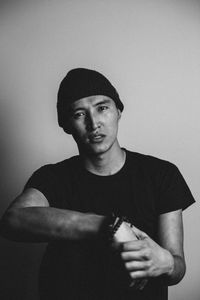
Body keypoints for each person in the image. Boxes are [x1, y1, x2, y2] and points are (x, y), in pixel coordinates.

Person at [0, 68, 195, 300]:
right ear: (65, 124)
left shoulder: (161, 174)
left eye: (102, 108)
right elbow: (13, 220)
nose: (94, 123)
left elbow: (177, 268)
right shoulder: (53, 177)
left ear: (118, 111)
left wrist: (167, 264)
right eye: (79, 114)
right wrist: (108, 227)